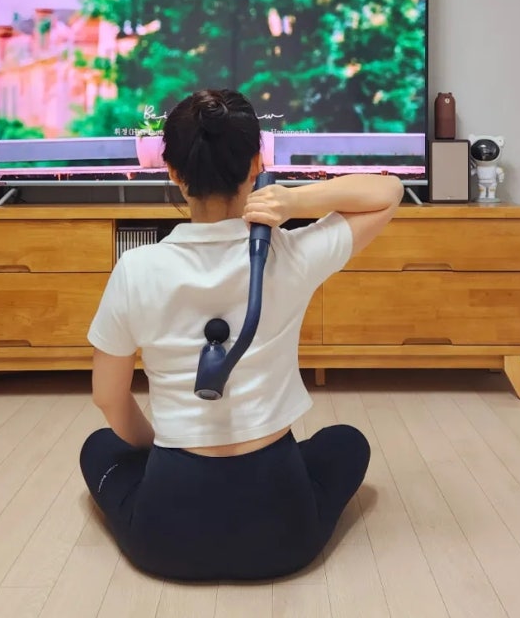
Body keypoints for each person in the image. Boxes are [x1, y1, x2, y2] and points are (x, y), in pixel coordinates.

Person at [80, 89, 404, 581]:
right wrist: (296, 199)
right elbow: (389, 192)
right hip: (284, 534)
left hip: (166, 539)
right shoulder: (289, 253)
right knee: (347, 442)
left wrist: (156, 452)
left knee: (99, 447)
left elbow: (108, 397)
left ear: (173, 171)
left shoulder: (135, 268)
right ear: (257, 162)